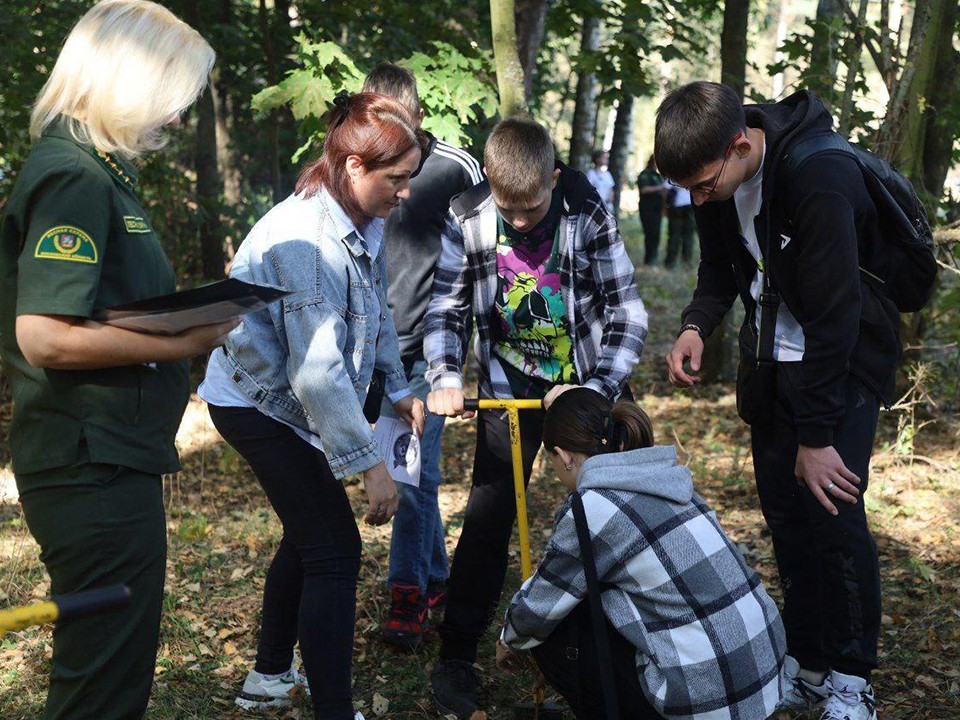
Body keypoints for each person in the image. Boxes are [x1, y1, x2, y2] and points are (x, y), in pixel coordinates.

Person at [0, 2, 235, 718]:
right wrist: (181, 341)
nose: (173, 121)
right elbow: (44, 335)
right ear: (132, 82)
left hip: (112, 458)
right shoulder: (74, 176)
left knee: (113, 672)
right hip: (88, 465)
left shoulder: (102, 173)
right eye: (172, 102)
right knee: (100, 688)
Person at [659, 81, 899, 720]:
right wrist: (695, 324)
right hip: (770, 364)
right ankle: (810, 660)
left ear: (740, 145)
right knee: (787, 518)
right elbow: (719, 266)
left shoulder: (819, 176)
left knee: (835, 522)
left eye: (704, 185)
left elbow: (836, 320)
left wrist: (817, 439)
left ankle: (852, 676)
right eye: (687, 186)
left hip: (840, 367)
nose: (697, 197)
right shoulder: (714, 174)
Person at [199, 92, 427, 720]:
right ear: (355, 167)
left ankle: (270, 676)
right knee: (335, 550)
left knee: (309, 537)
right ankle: (333, 710)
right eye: (397, 179)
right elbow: (317, 370)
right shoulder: (306, 240)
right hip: (257, 404)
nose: (405, 193)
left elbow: (374, 309)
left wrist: (400, 385)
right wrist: (367, 464)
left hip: (294, 399)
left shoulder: (360, 221)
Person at [424, 116, 648, 719]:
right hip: (509, 387)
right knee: (490, 516)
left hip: (585, 382)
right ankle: (458, 653)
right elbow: (446, 307)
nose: (520, 222)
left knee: (608, 514)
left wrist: (595, 393)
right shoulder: (466, 215)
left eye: (532, 208)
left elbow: (626, 310)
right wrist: (445, 376)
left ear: (553, 176)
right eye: (509, 210)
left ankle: (619, 646)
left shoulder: (586, 210)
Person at [497, 388, 785, 719]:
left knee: (556, 634)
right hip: (762, 677)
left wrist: (508, 641)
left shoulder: (593, 507)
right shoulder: (667, 479)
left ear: (563, 456)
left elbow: (540, 604)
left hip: (710, 700)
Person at [360, 62, 483, 650]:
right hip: (372, 348)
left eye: (394, 122)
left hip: (433, 354)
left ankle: (407, 595)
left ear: (417, 117)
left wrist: (462, 354)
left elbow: (484, 256)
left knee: (408, 476)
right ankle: (437, 578)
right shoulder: (356, 169)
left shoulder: (457, 170)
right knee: (422, 475)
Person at [637, 154, 666, 265]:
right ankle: (648, 259)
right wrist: (660, 188)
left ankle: (653, 258)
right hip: (647, 209)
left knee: (656, 234)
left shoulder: (658, 176)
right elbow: (644, 189)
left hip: (657, 209)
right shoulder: (645, 174)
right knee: (649, 233)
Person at [664, 179, 696, 268]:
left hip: (677, 206)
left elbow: (665, 190)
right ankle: (686, 261)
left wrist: (665, 208)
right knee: (688, 235)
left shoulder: (674, 172)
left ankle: (670, 263)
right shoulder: (692, 171)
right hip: (689, 205)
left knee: (674, 235)